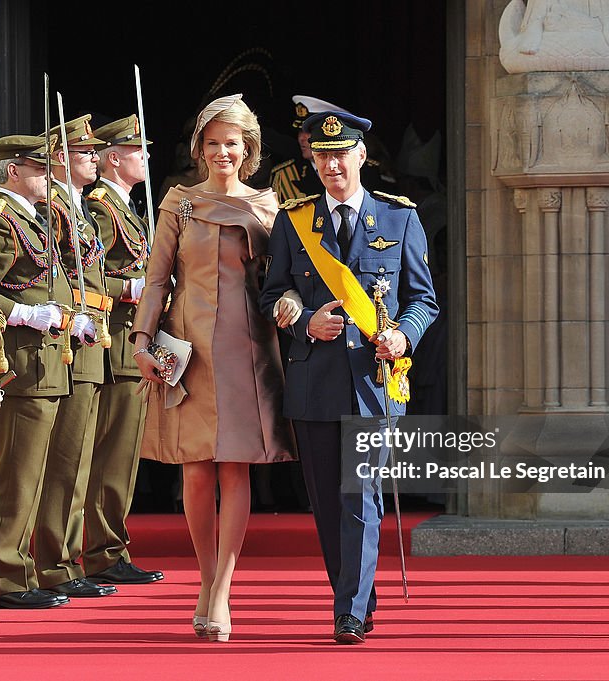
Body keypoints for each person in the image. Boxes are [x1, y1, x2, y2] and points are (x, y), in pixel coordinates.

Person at [260, 110, 438, 644]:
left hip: (373, 382)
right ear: (312, 162)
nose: (332, 164)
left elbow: (423, 299)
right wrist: (303, 320)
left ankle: (350, 610)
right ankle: (355, 594)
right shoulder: (294, 222)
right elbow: (272, 295)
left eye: (341, 154)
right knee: (325, 503)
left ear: (362, 156)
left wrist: (403, 335)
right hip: (313, 380)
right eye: (322, 156)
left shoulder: (399, 218)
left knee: (359, 495)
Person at [131, 94, 294, 642]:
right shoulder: (178, 202)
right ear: (199, 148)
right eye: (213, 142)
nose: (222, 151)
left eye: (233, 143)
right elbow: (157, 280)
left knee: (236, 466)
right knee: (195, 469)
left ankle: (221, 591)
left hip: (249, 346)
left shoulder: (271, 206)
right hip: (189, 346)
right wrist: (141, 339)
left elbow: (284, 279)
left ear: (247, 148)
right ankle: (205, 583)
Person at [0, 135, 82, 610]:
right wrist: (21, 313)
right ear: (13, 173)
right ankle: (6, 576)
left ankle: (24, 571)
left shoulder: (36, 218)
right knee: (18, 475)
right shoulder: (0, 220)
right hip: (23, 361)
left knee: (40, 473)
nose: (48, 176)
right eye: (38, 170)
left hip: (49, 357)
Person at [32, 115, 123, 598]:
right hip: (69, 335)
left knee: (78, 459)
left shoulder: (77, 207)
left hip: (88, 334)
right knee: (63, 459)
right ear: (62, 158)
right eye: (87, 153)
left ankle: (64, 560)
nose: (95, 159)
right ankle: (52, 561)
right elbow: (57, 274)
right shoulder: (54, 208)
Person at [83, 115, 165, 584]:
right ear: (115, 159)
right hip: (114, 342)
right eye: (139, 151)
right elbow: (87, 276)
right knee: (109, 453)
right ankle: (101, 552)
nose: (147, 158)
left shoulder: (129, 208)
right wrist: (132, 287)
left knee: (123, 455)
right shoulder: (100, 207)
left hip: (134, 342)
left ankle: (111, 547)